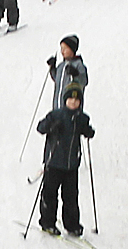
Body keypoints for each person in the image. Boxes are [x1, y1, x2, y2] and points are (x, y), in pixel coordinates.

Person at [34, 86, 93, 238]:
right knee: (49, 194)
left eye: (77, 99)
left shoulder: (82, 118)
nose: (73, 102)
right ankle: (47, 222)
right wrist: (51, 127)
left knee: (71, 196)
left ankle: (72, 225)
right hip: (54, 162)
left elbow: (86, 129)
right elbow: (40, 128)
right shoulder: (56, 115)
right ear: (65, 100)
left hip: (71, 164)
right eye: (70, 99)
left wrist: (88, 131)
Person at [45, 34, 89, 106]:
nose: (62, 51)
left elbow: (84, 81)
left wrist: (76, 74)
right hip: (57, 106)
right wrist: (52, 68)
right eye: (61, 49)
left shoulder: (78, 65)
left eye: (65, 49)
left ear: (72, 49)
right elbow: (57, 79)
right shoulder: (61, 66)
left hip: (71, 107)